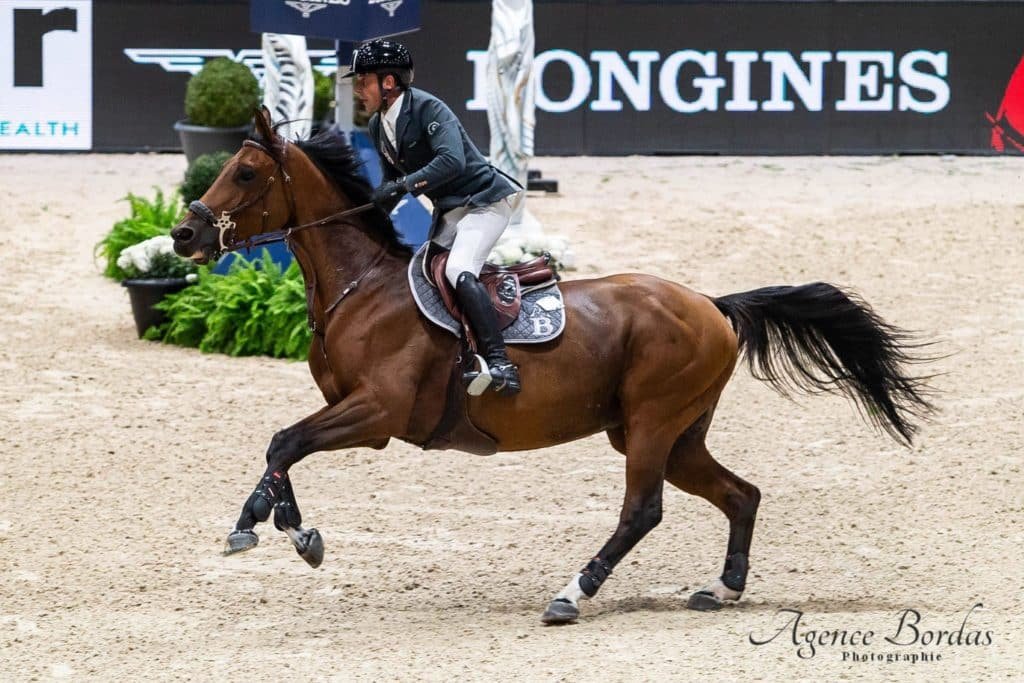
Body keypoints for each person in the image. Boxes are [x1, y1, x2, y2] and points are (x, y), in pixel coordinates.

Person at [344, 39, 524, 396]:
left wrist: (403, 185)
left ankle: (500, 362)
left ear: (388, 82)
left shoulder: (428, 108)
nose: (357, 90)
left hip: (484, 201)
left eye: (363, 81)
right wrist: (367, 216)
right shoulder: (379, 126)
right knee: (421, 277)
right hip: (451, 210)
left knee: (458, 270)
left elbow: (452, 161)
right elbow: (391, 185)